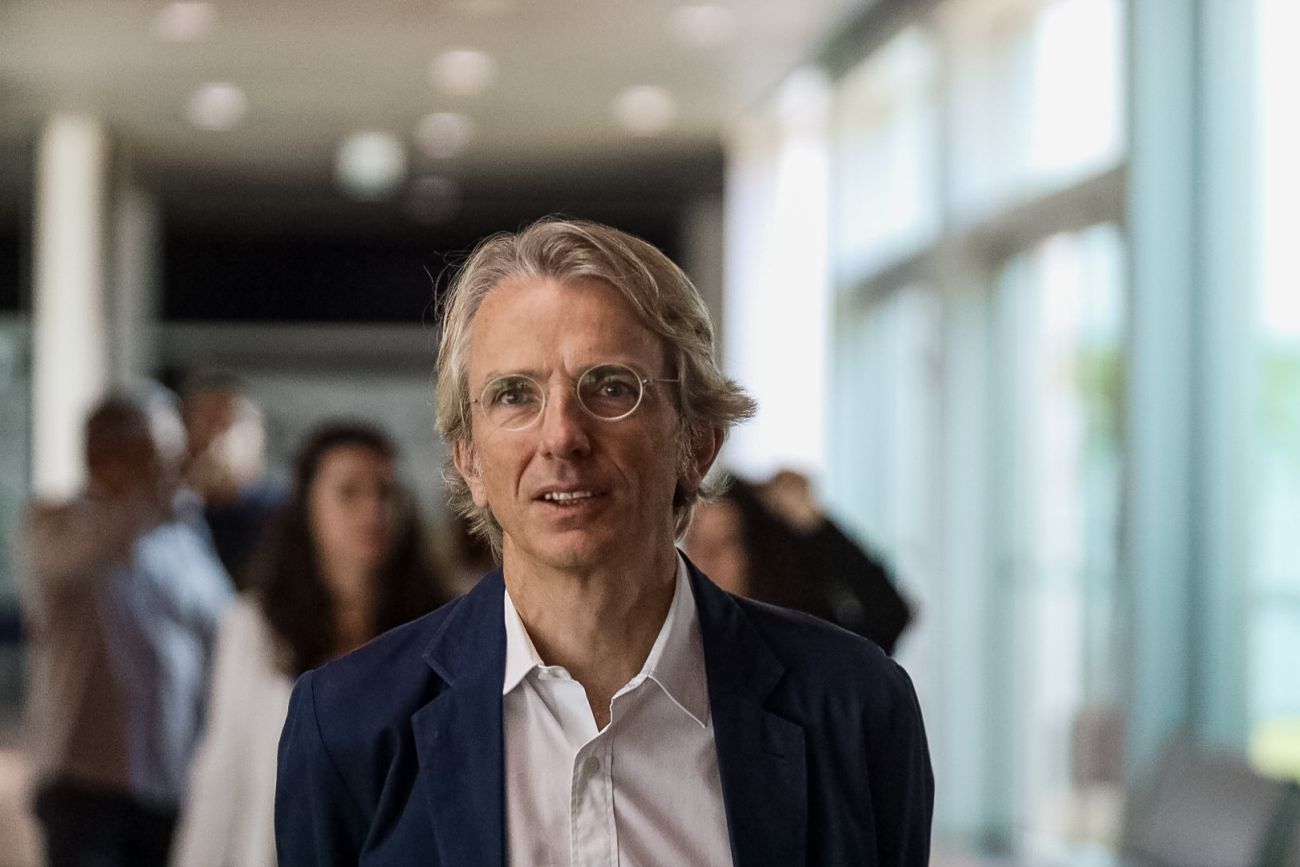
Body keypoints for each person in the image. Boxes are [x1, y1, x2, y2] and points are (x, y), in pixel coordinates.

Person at [275, 218, 934, 866]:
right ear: (469, 459)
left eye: (612, 387)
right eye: (515, 395)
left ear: (697, 443)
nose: (562, 436)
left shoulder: (855, 708)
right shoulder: (347, 726)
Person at [171, 422, 448, 867]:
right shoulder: (255, 628)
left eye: (386, 492)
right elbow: (223, 771)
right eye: (348, 493)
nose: (373, 510)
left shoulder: (439, 630)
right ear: (307, 507)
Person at [21, 391, 233, 867]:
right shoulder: (54, 525)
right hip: (83, 785)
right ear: (104, 455)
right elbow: (107, 538)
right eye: (160, 452)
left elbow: (222, 624)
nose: (172, 465)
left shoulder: (181, 533)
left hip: (171, 781)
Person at [686, 470, 914, 655]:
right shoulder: (682, 640)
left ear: (754, 553)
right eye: (696, 543)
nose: (706, 559)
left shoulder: (802, 645)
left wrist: (817, 528)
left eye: (726, 542)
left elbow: (888, 614)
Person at [181, 372, 284, 589]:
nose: (213, 438)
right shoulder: (169, 514)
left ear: (259, 432)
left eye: (227, 422)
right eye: (200, 422)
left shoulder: (283, 517)